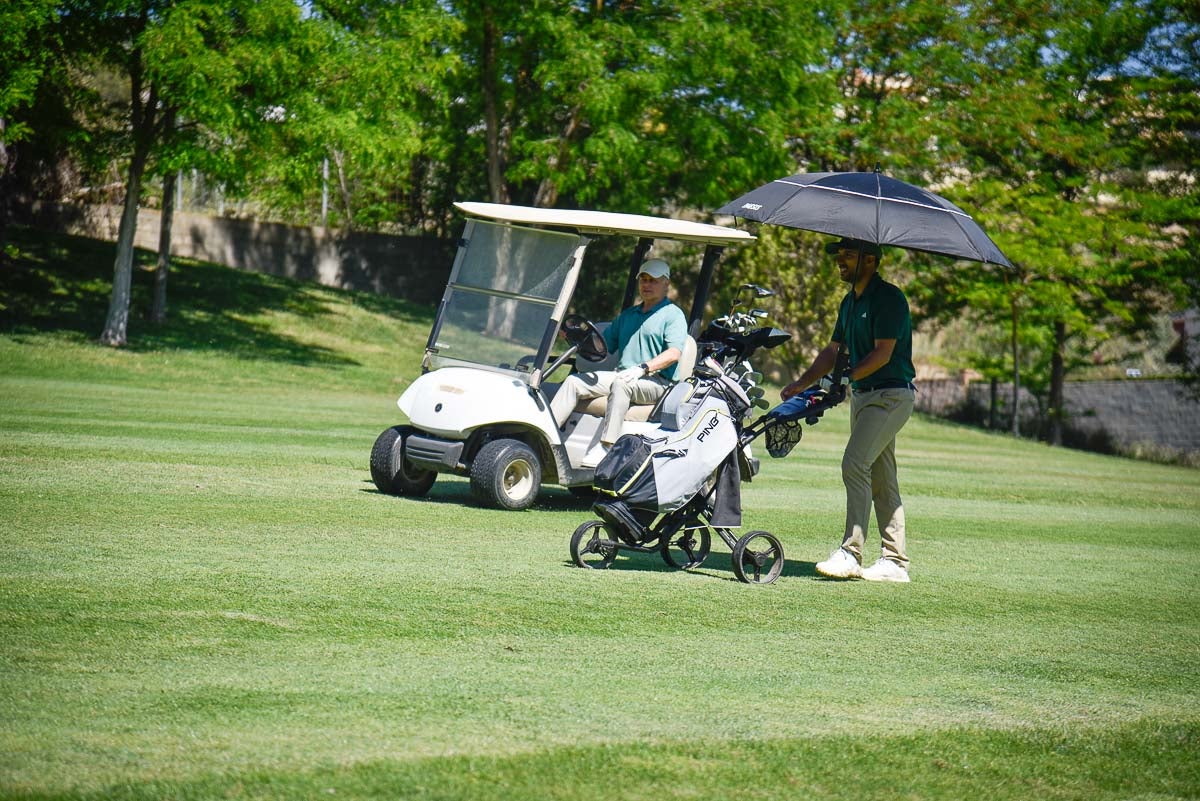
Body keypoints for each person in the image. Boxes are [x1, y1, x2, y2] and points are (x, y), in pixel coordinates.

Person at [780, 237, 917, 583]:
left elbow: (883, 353)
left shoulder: (889, 299)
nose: (840, 260)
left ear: (870, 260)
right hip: (863, 396)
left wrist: (844, 378)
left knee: (855, 463)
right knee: (882, 477)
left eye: (849, 255)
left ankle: (851, 552)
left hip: (889, 395)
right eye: (839, 255)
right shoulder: (849, 302)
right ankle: (895, 562)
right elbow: (832, 351)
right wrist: (803, 382)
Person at [550, 258, 688, 467]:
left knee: (621, 383)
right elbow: (604, 345)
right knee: (574, 382)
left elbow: (673, 354)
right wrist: (575, 336)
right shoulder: (629, 315)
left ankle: (606, 446)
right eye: (644, 280)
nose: (647, 285)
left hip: (658, 383)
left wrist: (643, 368)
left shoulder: (672, 315)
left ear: (666, 283)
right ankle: (546, 436)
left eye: (653, 281)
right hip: (624, 375)